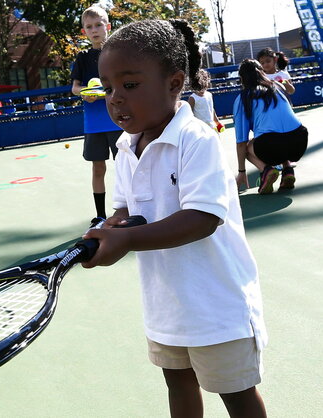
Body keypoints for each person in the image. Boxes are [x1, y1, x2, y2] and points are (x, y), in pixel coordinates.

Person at [87, 19, 268, 417]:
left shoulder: (196, 138)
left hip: (216, 306)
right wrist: (108, 229)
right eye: (108, 88)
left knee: (237, 396)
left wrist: (128, 240)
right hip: (166, 304)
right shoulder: (125, 146)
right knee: (178, 384)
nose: (115, 98)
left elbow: (202, 218)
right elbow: (126, 211)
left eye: (130, 85)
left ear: (173, 83)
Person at [70, 5, 123, 227]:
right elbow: (75, 88)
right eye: (89, 27)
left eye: (99, 25)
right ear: (84, 32)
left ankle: (128, 209)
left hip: (118, 119)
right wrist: (87, 93)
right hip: (93, 124)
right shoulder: (82, 58)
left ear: (107, 26)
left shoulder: (118, 53)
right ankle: (100, 216)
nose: (94, 30)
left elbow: (122, 83)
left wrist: (106, 94)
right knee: (98, 168)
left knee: (125, 166)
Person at [233, 59, 308, 193]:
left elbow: (241, 142)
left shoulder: (243, 98)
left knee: (247, 147)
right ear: (262, 72)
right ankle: (287, 169)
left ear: (242, 78)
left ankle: (266, 170)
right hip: (300, 140)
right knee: (280, 134)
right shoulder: (278, 87)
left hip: (271, 145)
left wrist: (241, 171)